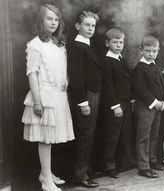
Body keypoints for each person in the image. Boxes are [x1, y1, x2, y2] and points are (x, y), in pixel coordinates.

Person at [21, 4, 75, 191]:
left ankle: (46, 173)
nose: (53, 22)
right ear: (41, 21)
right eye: (49, 18)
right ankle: (46, 181)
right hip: (44, 96)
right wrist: (37, 101)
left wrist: (66, 80)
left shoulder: (58, 44)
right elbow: (32, 74)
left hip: (58, 95)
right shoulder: (36, 45)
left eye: (56, 19)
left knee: (51, 139)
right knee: (45, 139)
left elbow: (61, 68)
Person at [67, 11, 101, 188]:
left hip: (93, 94)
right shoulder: (76, 47)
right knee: (84, 135)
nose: (90, 28)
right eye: (87, 25)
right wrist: (83, 102)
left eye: (93, 26)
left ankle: (86, 169)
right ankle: (80, 174)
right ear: (78, 26)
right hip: (85, 96)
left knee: (89, 134)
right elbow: (77, 77)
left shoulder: (88, 46)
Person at [102, 28, 135, 178]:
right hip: (115, 104)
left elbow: (127, 82)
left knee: (125, 133)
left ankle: (125, 161)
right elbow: (108, 86)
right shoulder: (107, 61)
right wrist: (115, 106)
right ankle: (109, 165)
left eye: (121, 42)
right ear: (107, 43)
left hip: (126, 102)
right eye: (115, 42)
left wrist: (131, 98)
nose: (118, 45)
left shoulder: (120, 59)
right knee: (112, 135)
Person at [133, 35, 164, 178]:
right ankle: (143, 166)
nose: (151, 54)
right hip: (146, 106)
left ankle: (152, 160)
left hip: (158, 106)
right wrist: (155, 102)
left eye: (154, 51)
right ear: (141, 50)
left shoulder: (155, 66)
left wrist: (163, 100)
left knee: (154, 134)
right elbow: (140, 90)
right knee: (144, 136)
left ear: (158, 51)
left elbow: (162, 86)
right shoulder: (140, 68)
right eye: (148, 51)